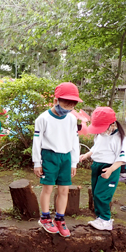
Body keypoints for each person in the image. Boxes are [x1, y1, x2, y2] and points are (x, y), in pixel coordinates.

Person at [32, 82, 81, 237]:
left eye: (72, 105)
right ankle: (45, 217)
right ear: (56, 101)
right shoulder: (43, 118)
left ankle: (60, 219)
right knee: (48, 188)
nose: (68, 108)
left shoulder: (72, 119)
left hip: (66, 157)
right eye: (65, 103)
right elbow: (37, 142)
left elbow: (75, 141)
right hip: (49, 156)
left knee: (64, 189)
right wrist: (37, 162)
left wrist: (74, 162)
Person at [79, 107, 126, 231]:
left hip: (110, 168)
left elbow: (122, 158)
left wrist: (111, 170)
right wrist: (87, 155)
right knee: (96, 193)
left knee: (102, 195)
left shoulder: (119, 138)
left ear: (112, 124)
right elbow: (96, 147)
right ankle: (100, 217)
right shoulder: (100, 134)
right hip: (97, 165)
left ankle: (106, 220)